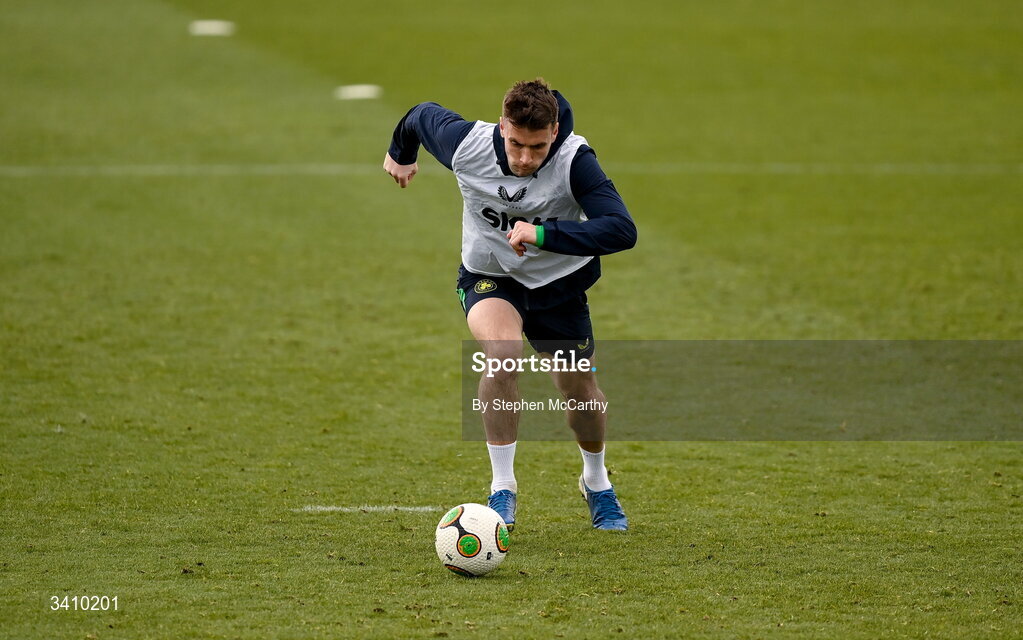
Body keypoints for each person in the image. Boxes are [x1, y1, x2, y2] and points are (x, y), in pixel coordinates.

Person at [383, 78, 637, 531]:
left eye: (537, 147)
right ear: (502, 127)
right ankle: (502, 488)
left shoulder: (575, 160)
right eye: (516, 144)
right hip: (490, 275)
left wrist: (542, 233)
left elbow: (621, 229)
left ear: (554, 133)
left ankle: (596, 482)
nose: (524, 158)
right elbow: (420, 115)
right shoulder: (467, 144)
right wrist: (401, 153)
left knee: (580, 392)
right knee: (502, 354)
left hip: (558, 285)